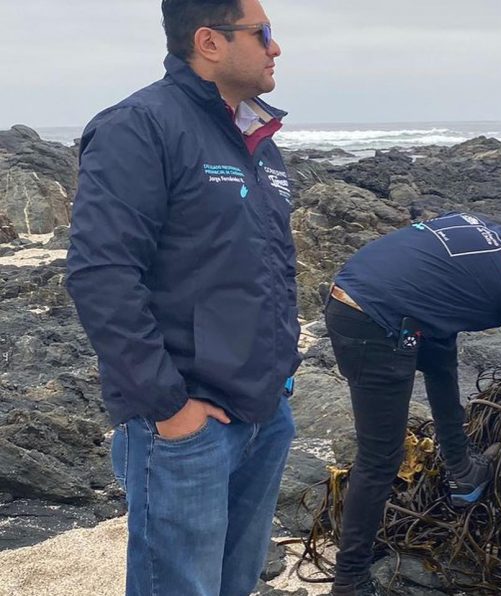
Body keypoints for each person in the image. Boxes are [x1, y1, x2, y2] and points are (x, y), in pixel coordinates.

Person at [66, 1, 300, 594]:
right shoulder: (140, 126)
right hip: (186, 423)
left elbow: (265, 267)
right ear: (210, 41)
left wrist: (280, 386)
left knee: (234, 584)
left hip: (263, 413)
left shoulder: (257, 139)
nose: (276, 48)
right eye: (264, 34)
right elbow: (101, 273)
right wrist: (170, 408)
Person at [324, 212, 501, 595]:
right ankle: (350, 581)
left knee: (442, 355)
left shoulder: (485, 230)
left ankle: (461, 469)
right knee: (381, 457)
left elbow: (434, 290)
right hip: (373, 321)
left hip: (360, 294)